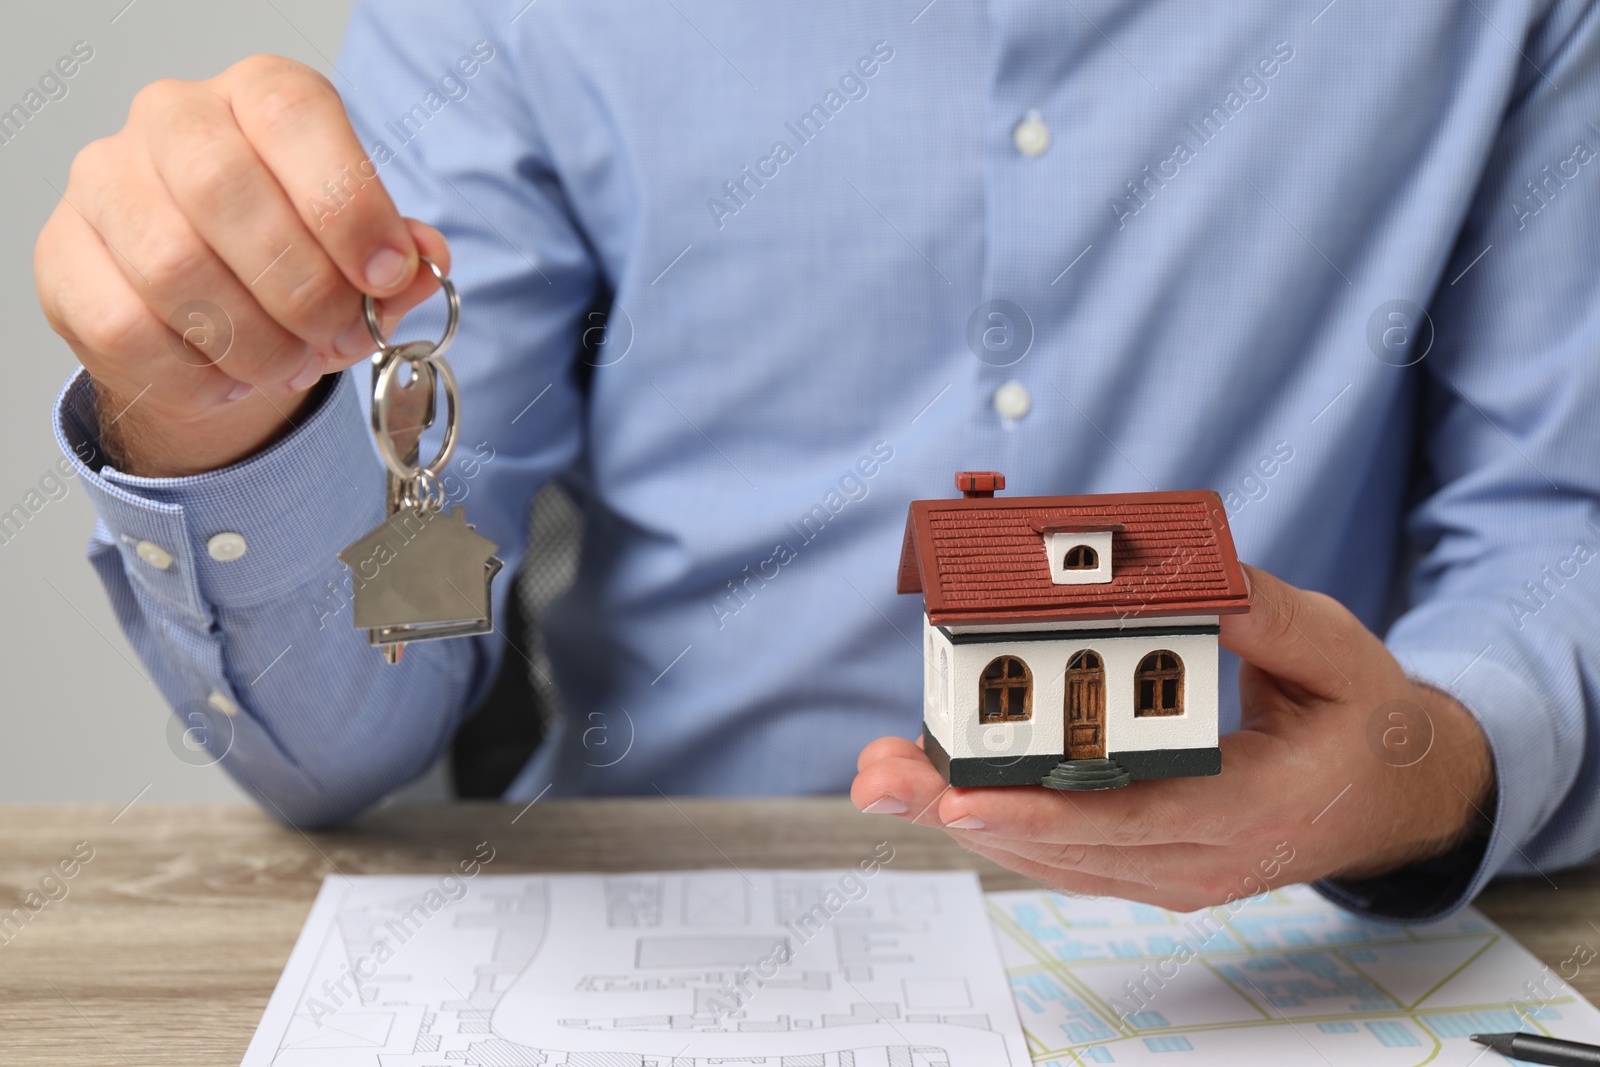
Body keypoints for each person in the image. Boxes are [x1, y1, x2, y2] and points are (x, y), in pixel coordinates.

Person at [32, 1, 1600, 921]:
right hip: (646, 928)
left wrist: (1437, 764)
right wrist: (220, 417)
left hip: (1291, 944)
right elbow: (341, 735)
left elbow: (1562, 520)